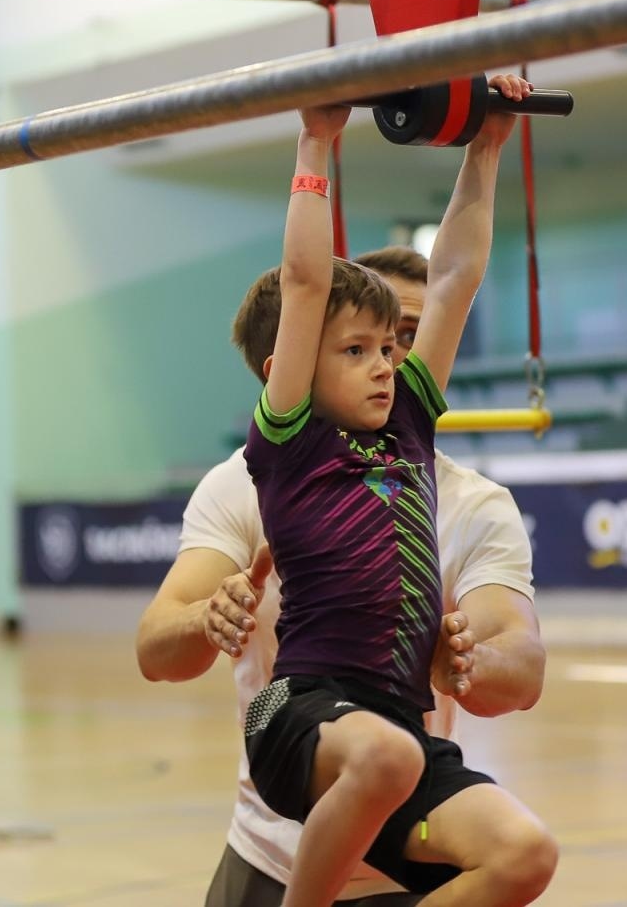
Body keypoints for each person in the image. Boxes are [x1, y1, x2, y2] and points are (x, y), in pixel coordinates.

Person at [140, 79, 556, 907]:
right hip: (299, 717)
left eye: (391, 347)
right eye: (357, 348)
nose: (385, 362)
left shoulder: (407, 428)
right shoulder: (287, 450)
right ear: (288, 372)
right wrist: (315, 143)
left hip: (395, 731)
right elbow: (301, 284)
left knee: (524, 853)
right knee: (386, 757)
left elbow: (455, 278)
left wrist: (487, 148)